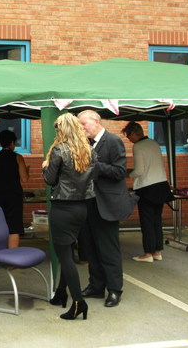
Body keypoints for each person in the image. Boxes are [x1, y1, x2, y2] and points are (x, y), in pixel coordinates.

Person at [77, 110, 138, 308]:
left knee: (108, 250)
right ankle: (96, 286)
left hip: (108, 205)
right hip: (89, 203)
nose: (81, 127)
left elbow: (120, 171)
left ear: (96, 122)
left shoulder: (113, 141)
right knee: (91, 249)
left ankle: (114, 290)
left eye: (84, 123)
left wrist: (95, 166)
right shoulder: (85, 144)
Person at [42, 113, 98, 320]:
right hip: (81, 208)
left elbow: (49, 180)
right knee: (68, 251)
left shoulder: (59, 151)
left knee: (65, 257)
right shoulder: (89, 151)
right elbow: (94, 177)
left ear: (62, 130)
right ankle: (60, 294)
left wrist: (45, 166)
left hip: (63, 209)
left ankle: (78, 303)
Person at [122, 122, 174, 263]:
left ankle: (148, 254)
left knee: (147, 222)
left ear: (133, 133)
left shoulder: (138, 146)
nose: (128, 139)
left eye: (128, 135)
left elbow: (139, 171)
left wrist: (126, 175)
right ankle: (157, 251)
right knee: (157, 220)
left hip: (147, 188)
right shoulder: (154, 143)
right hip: (162, 186)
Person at [0, 130, 29, 248]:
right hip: (13, 195)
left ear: (1, 143)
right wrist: (27, 171)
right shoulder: (17, 157)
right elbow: (25, 178)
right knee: (14, 227)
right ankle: (12, 258)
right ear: (12, 142)